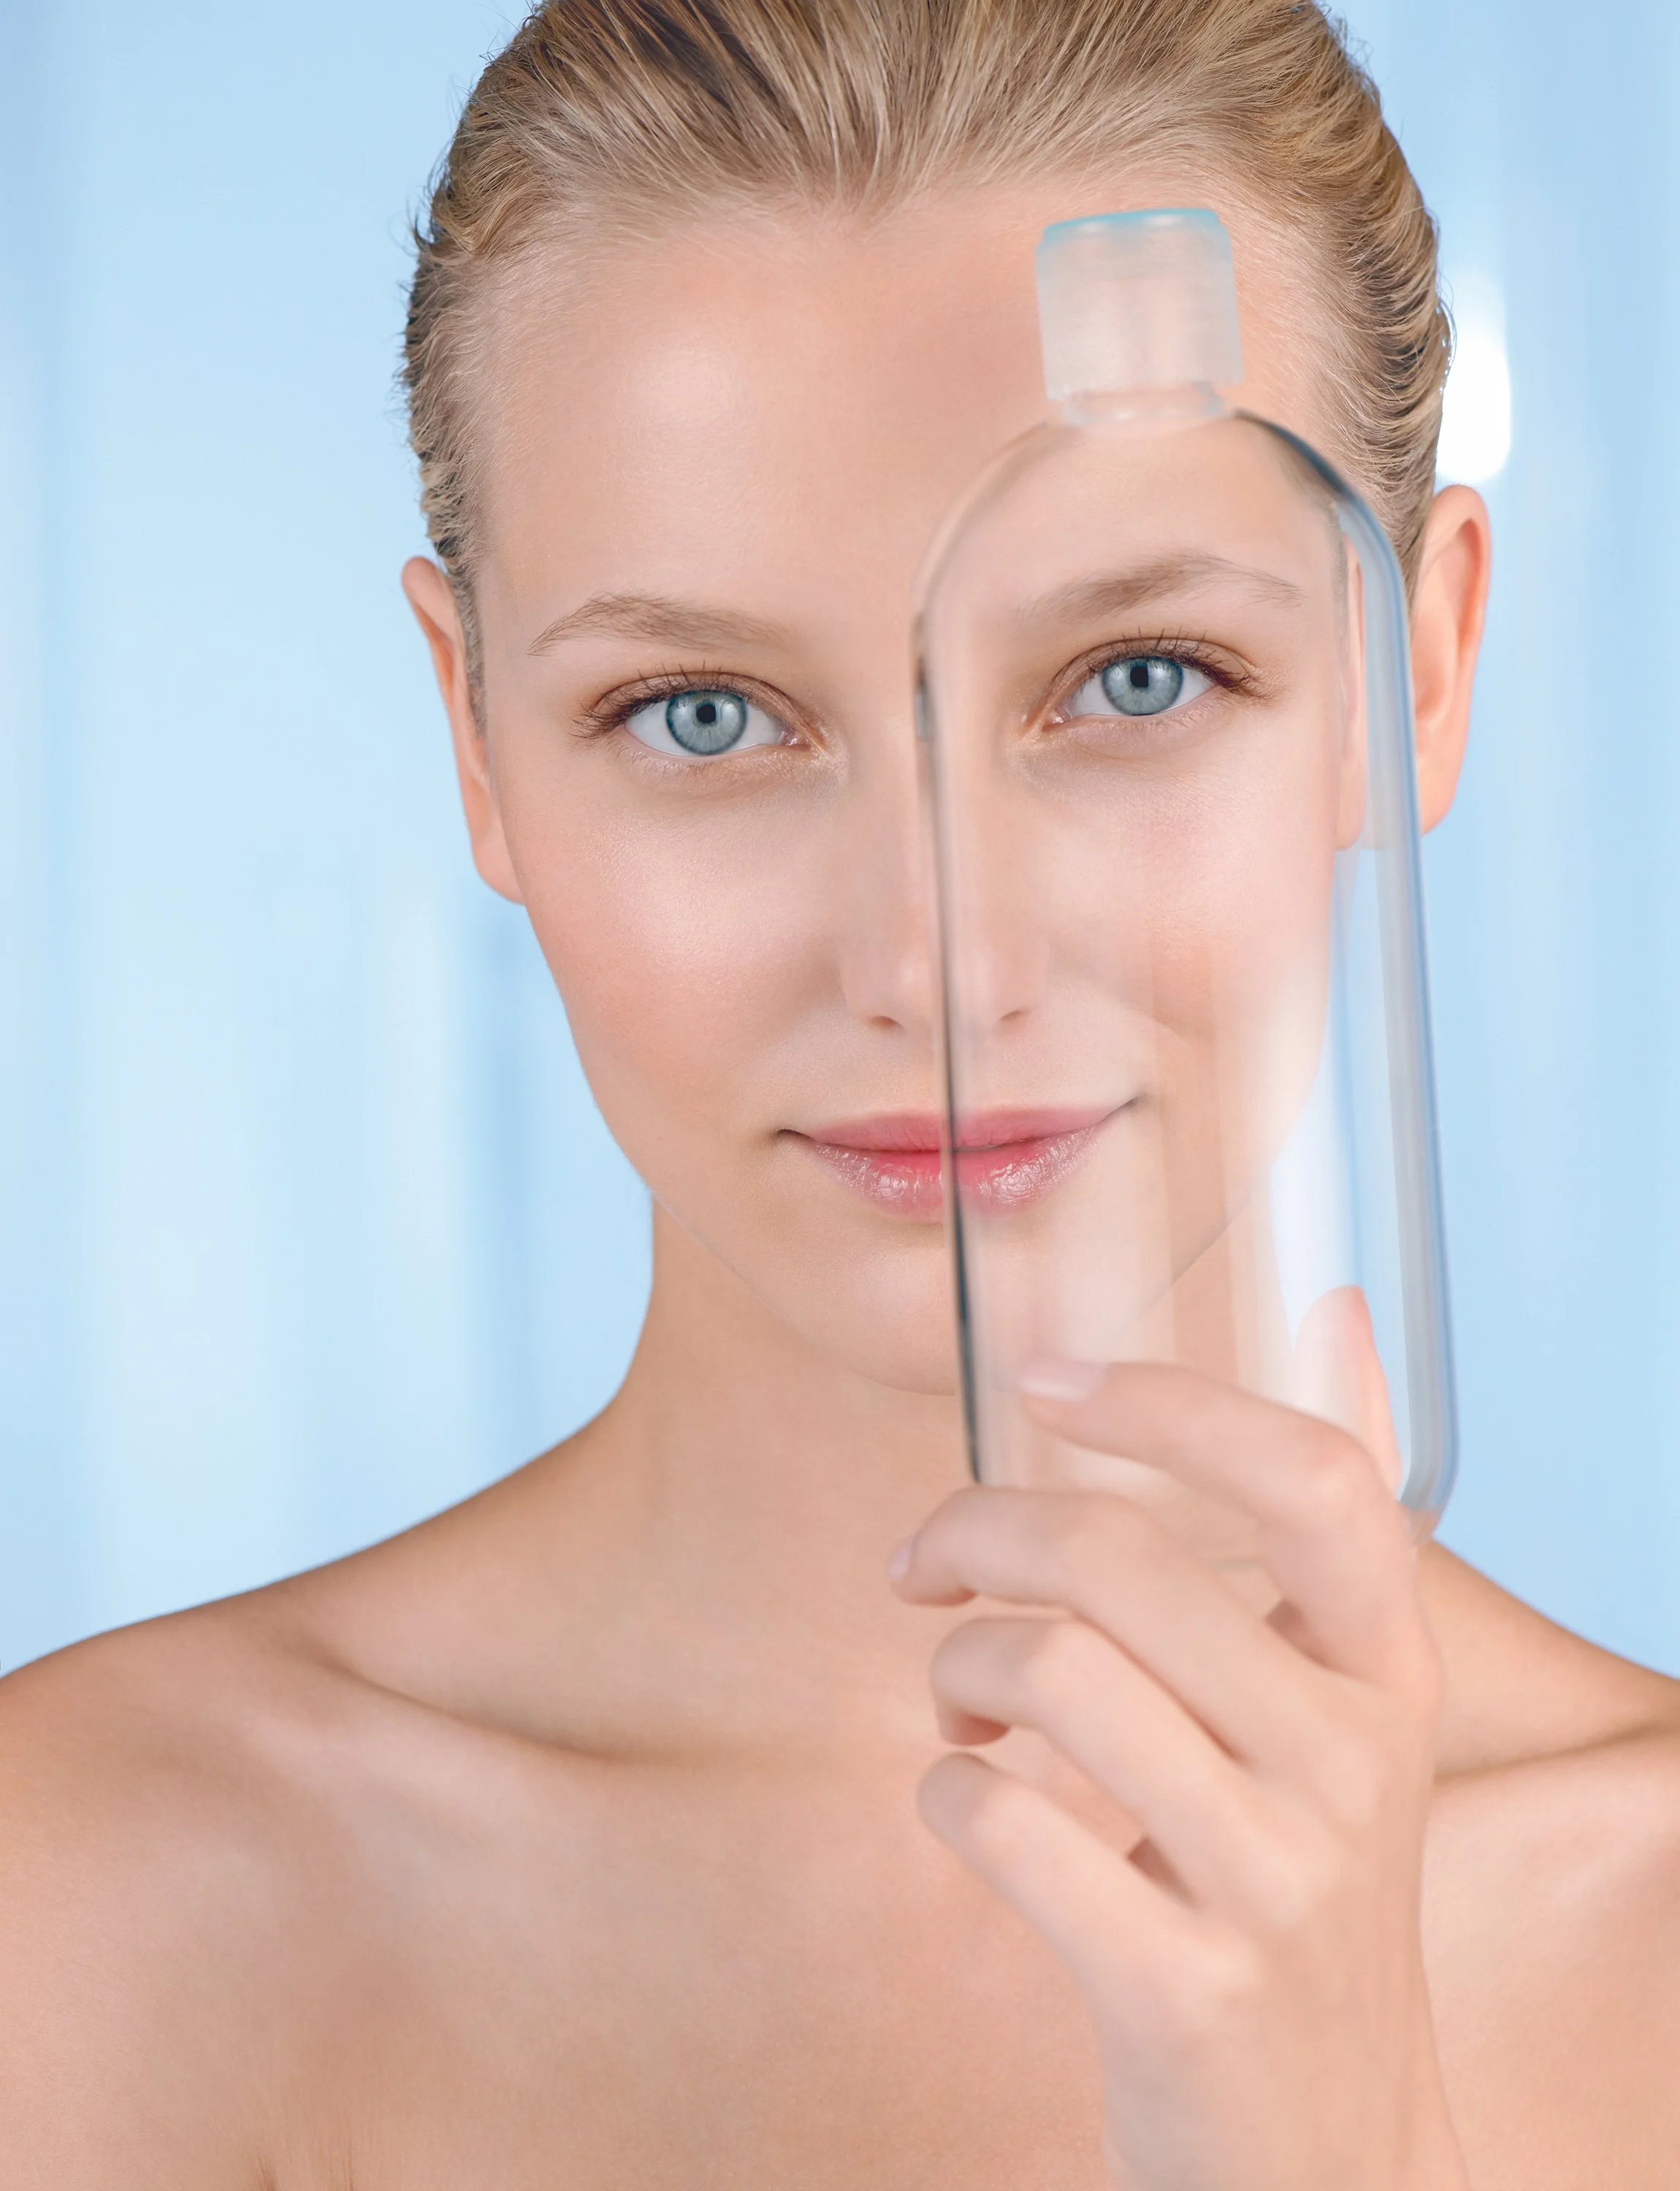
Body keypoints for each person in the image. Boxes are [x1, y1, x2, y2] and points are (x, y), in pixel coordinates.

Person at [2, 4, 1677, 2184]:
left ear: (1415, 674)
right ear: (473, 739)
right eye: (701, 714)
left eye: (1136, 680)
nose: (937, 966)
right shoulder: (94, 1910)